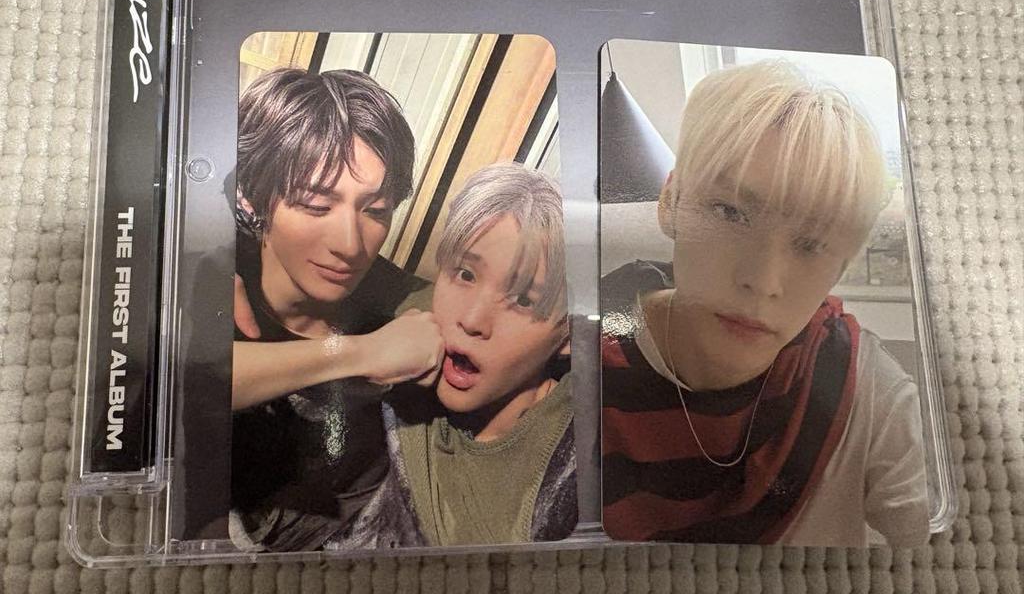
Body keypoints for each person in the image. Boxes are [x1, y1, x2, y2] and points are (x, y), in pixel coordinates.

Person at [601, 60, 930, 547]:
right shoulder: (569, 363)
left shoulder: (869, 393)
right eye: (730, 212)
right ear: (670, 201)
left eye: (812, 244)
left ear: (841, 267)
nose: (762, 281)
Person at [228, 68, 444, 552]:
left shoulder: (397, 298)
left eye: (375, 210)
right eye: (315, 205)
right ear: (252, 199)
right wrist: (362, 354)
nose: (349, 244)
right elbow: (182, 382)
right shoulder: (211, 268)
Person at [339, 162, 577, 548]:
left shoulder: (572, 460)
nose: (471, 320)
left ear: (567, 333)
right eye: (466, 275)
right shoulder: (419, 314)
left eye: (522, 300)